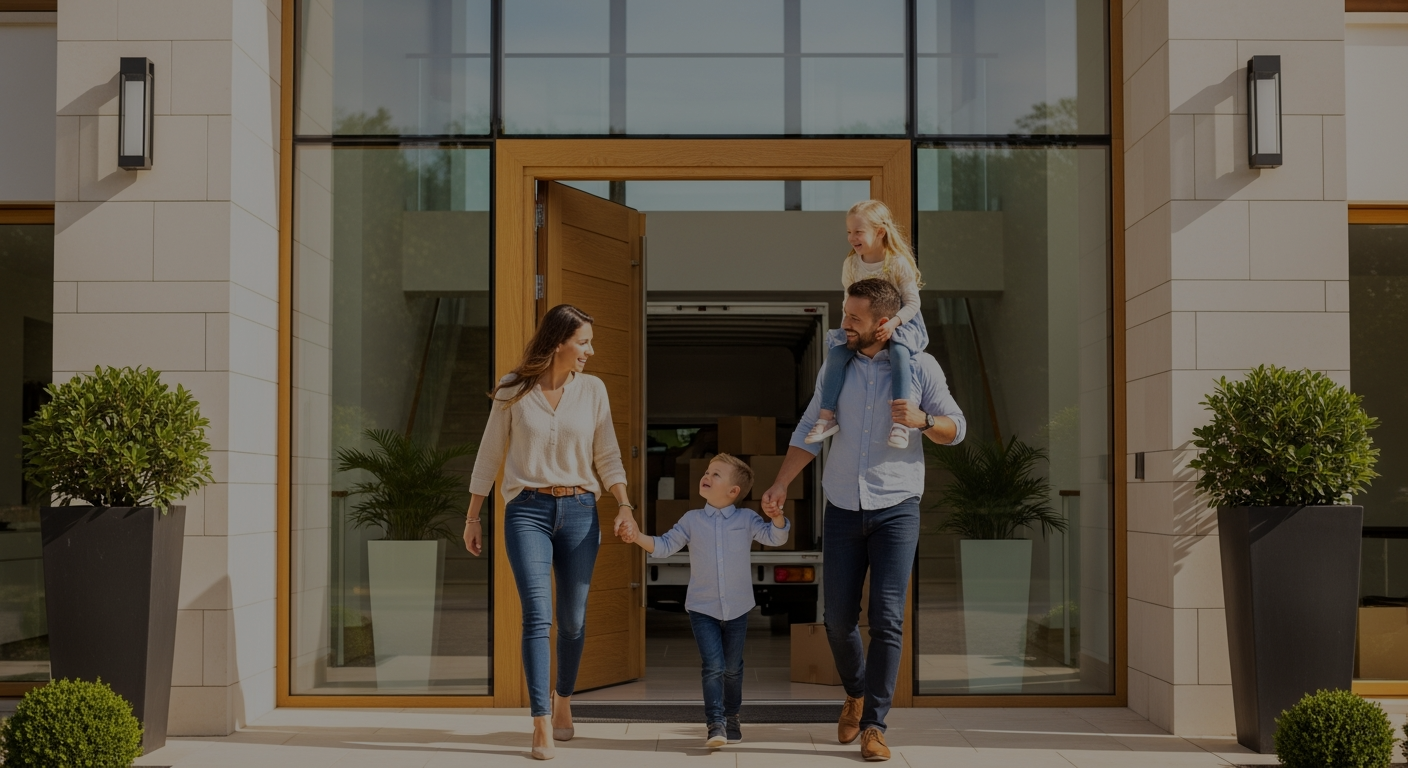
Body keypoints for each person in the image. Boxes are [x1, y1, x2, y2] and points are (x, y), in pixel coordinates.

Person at [760, 278, 965, 762]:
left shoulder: (920, 367)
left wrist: (923, 421)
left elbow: (956, 428)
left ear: (883, 322)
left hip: (897, 507)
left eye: (854, 317)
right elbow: (812, 429)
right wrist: (780, 483)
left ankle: (874, 725)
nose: (844, 324)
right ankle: (854, 692)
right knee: (836, 620)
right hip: (844, 508)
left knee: (888, 619)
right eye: (844, 314)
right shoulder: (838, 367)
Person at [464, 304, 637, 761]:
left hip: (581, 509)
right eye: (583, 342)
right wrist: (473, 514)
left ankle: (564, 701)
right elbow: (489, 453)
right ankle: (540, 722)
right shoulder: (514, 388)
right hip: (528, 511)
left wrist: (624, 505)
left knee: (574, 621)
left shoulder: (594, 390)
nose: (590, 351)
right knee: (538, 616)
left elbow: (608, 455)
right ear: (559, 342)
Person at [621, 454, 789, 748]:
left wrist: (777, 518)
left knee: (733, 667)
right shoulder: (691, 520)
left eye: (716, 474)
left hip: (738, 608)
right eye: (707, 471)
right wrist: (637, 536)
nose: (707, 476)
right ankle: (715, 724)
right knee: (713, 666)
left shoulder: (747, 519)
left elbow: (775, 538)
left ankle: (732, 715)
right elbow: (663, 546)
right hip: (702, 608)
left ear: (733, 491)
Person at [805, 200, 928, 450]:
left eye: (858, 232)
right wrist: (847, 327)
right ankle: (827, 417)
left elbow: (913, 302)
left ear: (880, 231)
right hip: (862, 324)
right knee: (837, 353)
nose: (852, 238)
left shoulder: (896, 263)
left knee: (899, 353)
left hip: (899, 321)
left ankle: (901, 422)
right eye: (849, 232)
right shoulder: (851, 264)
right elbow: (846, 300)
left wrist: (894, 323)